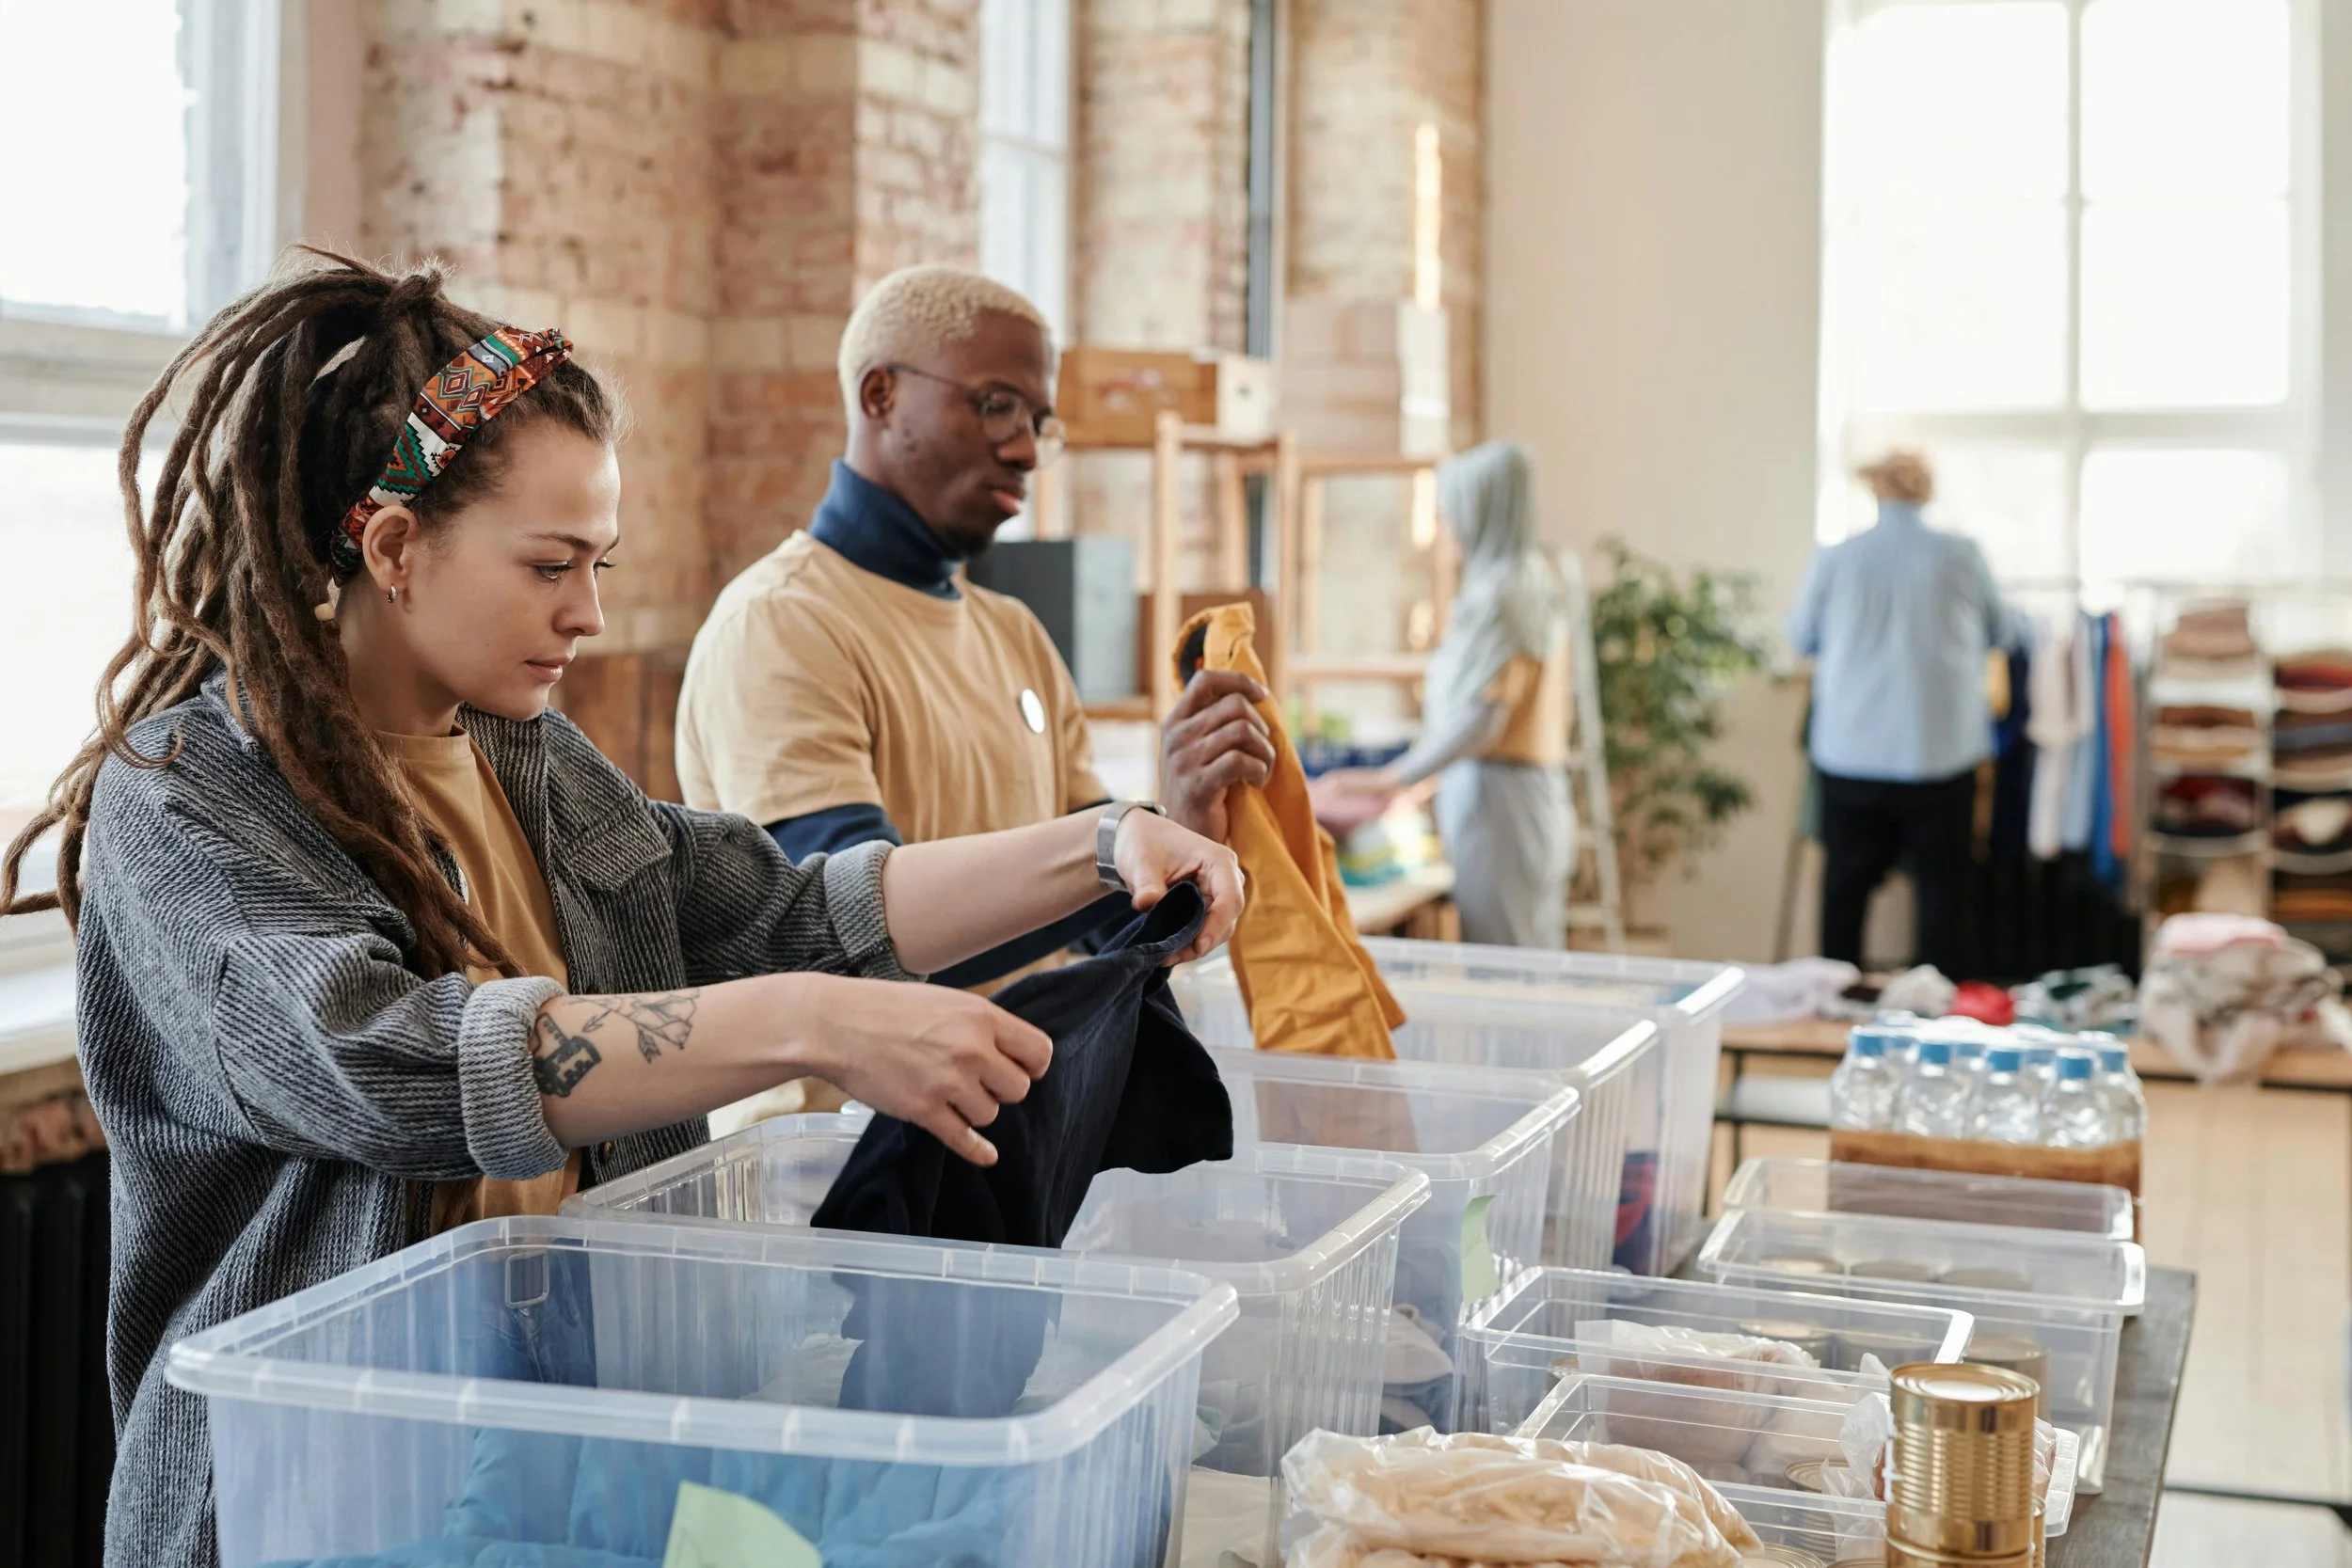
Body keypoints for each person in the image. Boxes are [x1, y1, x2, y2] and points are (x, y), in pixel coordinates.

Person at [0, 252, 1243, 1568]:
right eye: (550, 565)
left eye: (596, 561)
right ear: (394, 544)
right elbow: (394, 1059)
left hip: (567, 1466)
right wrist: (811, 1023)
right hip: (309, 1505)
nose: (587, 612)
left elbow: (778, 908)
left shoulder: (521, 748)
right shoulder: (189, 806)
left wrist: (1104, 845)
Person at [675, 265, 1275, 996]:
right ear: (880, 395)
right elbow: (844, 944)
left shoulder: (1016, 633)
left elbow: (1098, 931)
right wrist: (1114, 841)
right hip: (846, 1112)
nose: (1024, 450)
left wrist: (1175, 831)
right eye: (998, 406)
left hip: (1010, 1101)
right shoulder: (781, 624)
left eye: (1037, 424)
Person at [1310, 442, 1575, 948]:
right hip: (1515, 797)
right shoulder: (1529, 581)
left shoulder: (1505, 594)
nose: (1444, 531)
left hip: (1501, 804)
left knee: (1508, 965)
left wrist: (1390, 779)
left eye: (1450, 516)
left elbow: (1483, 719)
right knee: (1523, 956)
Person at [1788, 450, 2020, 974]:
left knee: (1844, 893)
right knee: (1943, 898)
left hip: (1851, 750)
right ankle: (1940, 1025)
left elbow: (1801, 637)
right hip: (1940, 752)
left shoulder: (1838, 557)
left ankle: (1836, 1008)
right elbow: (2002, 634)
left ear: (1875, 490)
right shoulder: (1961, 555)